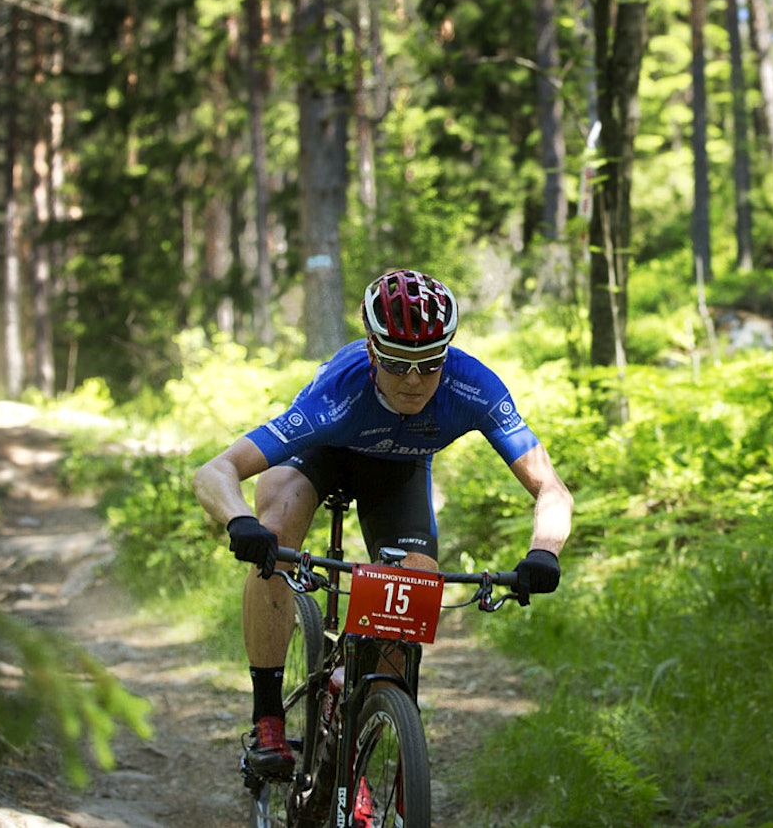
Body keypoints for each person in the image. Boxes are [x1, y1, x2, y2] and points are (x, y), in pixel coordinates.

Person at [192, 268, 573, 778]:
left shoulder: (474, 386)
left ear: (448, 352)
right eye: (396, 363)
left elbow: (551, 487)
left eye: (429, 363)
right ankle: (267, 717)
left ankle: (355, 748)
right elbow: (216, 470)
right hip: (319, 453)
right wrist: (239, 521)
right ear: (372, 351)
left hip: (395, 472)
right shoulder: (337, 394)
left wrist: (544, 551)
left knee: (412, 580)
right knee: (278, 538)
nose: (414, 379)